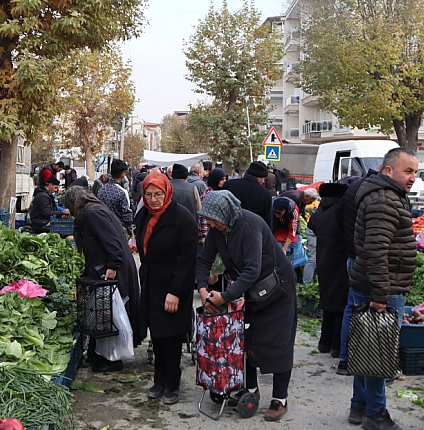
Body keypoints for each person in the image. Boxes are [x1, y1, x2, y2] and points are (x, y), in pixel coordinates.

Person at [196, 190, 297, 422]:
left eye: (214, 219)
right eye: (208, 219)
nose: (211, 224)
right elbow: (203, 260)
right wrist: (202, 289)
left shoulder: (250, 226)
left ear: (226, 213)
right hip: (248, 289)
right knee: (246, 339)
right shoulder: (217, 230)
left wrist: (226, 296)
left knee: (277, 343)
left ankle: (280, 398)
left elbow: (252, 269)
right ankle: (250, 390)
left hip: (276, 289)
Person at [347, 147, 418, 430]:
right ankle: (376, 415)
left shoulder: (386, 195)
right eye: (408, 171)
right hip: (379, 287)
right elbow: (376, 250)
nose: (413, 177)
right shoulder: (384, 200)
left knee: (366, 346)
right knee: (378, 352)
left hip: (373, 284)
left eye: (415, 171)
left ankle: (360, 406)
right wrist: (381, 294)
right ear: (388, 170)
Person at [61, 188, 142, 372]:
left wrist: (112, 267)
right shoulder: (94, 211)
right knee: (106, 315)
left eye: (70, 208)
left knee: (110, 316)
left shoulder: (93, 215)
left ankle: (110, 358)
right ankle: (100, 355)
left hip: (111, 270)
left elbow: (112, 243)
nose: (71, 212)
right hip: (104, 268)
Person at [134, 173, 197, 405]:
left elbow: (188, 259)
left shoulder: (182, 218)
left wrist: (176, 291)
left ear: (167, 193)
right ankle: (159, 380)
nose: (153, 199)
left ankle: (173, 383)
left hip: (173, 286)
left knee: (171, 337)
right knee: (157, 335)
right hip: (152, 284)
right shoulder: (144, 215)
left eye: (158, 194)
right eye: (149, 195)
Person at [337, 169, 380, 375]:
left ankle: (345, 360)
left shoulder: (352, 189)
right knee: (372, 312)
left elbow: (340, 220)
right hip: (365, 259)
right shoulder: (377, 194)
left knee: (352, 308)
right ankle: (370, 364)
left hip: (351, 255)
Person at [308, 182, 349, 358]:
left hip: (324, 258)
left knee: (328, 303)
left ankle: (324, 342)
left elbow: (312, 226)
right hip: (340, 259)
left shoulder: (321, 210)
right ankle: (336, 347)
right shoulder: (341, 210)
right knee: (340, 304)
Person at [223, 161, 273, 227]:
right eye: (263, 178)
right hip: (253, 232)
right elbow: (267, 221)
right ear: (258, 177)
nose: (263, 181)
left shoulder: (229, 185)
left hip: (229, 229)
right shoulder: (265, 194)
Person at [97, 159, 134, 234]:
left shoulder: (101, 190)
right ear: (123, 175)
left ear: (111, 172)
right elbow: (127, 215)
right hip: (118, 230)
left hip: (103, 228)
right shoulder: (122, 192)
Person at [197, 168, 228, 252]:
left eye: (225, 179)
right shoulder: (209, 195)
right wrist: (204, 236)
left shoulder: (221, 192)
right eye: (221, 179)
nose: (224, 181)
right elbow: (204, 217)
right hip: (210, 234)